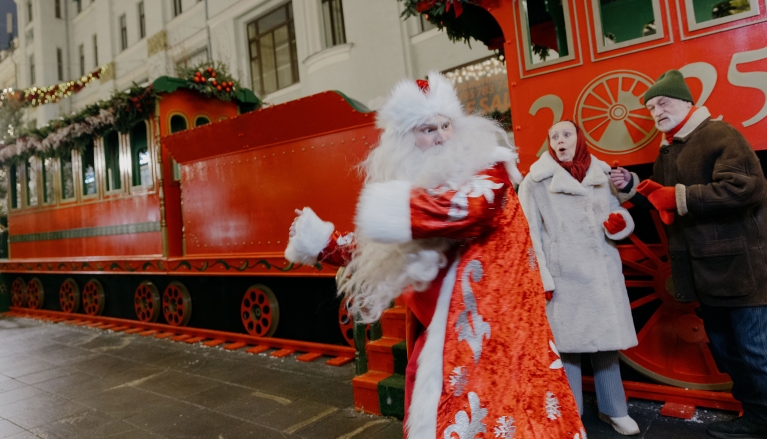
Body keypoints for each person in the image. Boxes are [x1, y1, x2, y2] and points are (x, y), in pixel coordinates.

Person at [285, 73, 587, 439]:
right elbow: (383, 250)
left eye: (446, 125)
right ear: (405, 140)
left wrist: (388, 210)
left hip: (495, 341)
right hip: (448, 335)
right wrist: (324, 243)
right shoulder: (418, 189)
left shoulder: (487, 168)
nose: (442, 136)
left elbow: (469, 209)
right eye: (428, 129)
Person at [611, 69, 767, 439]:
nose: (656, 112)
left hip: (740, 268)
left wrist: (679, 196)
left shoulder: (720, 135)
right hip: (707, 273)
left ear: (686, 102)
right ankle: (755, 416)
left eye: (662, 103)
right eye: (651, 108)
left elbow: (745, 189)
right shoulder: (670, 150)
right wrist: (635, 186)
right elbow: (664, 198)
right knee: (730, 351)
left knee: (756, 351)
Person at [518, 120, 640, 436]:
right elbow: (529, 234)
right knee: (567, 350)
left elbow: (620, 212)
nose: (560, 140)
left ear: (579, 138)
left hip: (601, 272)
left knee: (606, 345)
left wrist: (620, 224)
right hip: (564, 275)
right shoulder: (535, 182)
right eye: (554, 135)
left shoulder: (600, 174)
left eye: (566, 134)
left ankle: (614, 409)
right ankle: (570, 415)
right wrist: (541, 277)